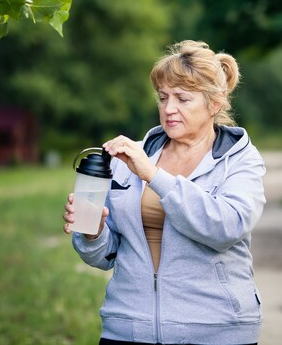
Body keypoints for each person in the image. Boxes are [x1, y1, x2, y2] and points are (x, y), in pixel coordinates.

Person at [62, 40, 266, 345]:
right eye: (163, 97)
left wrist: (155, 177)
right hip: (128, 328)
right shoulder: (132, 158)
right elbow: (105, 255)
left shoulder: (239, 160)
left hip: (215, 331)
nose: (169, 109)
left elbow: (226, 226)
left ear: (214, 104)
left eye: (182, 99)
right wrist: (94, 233)